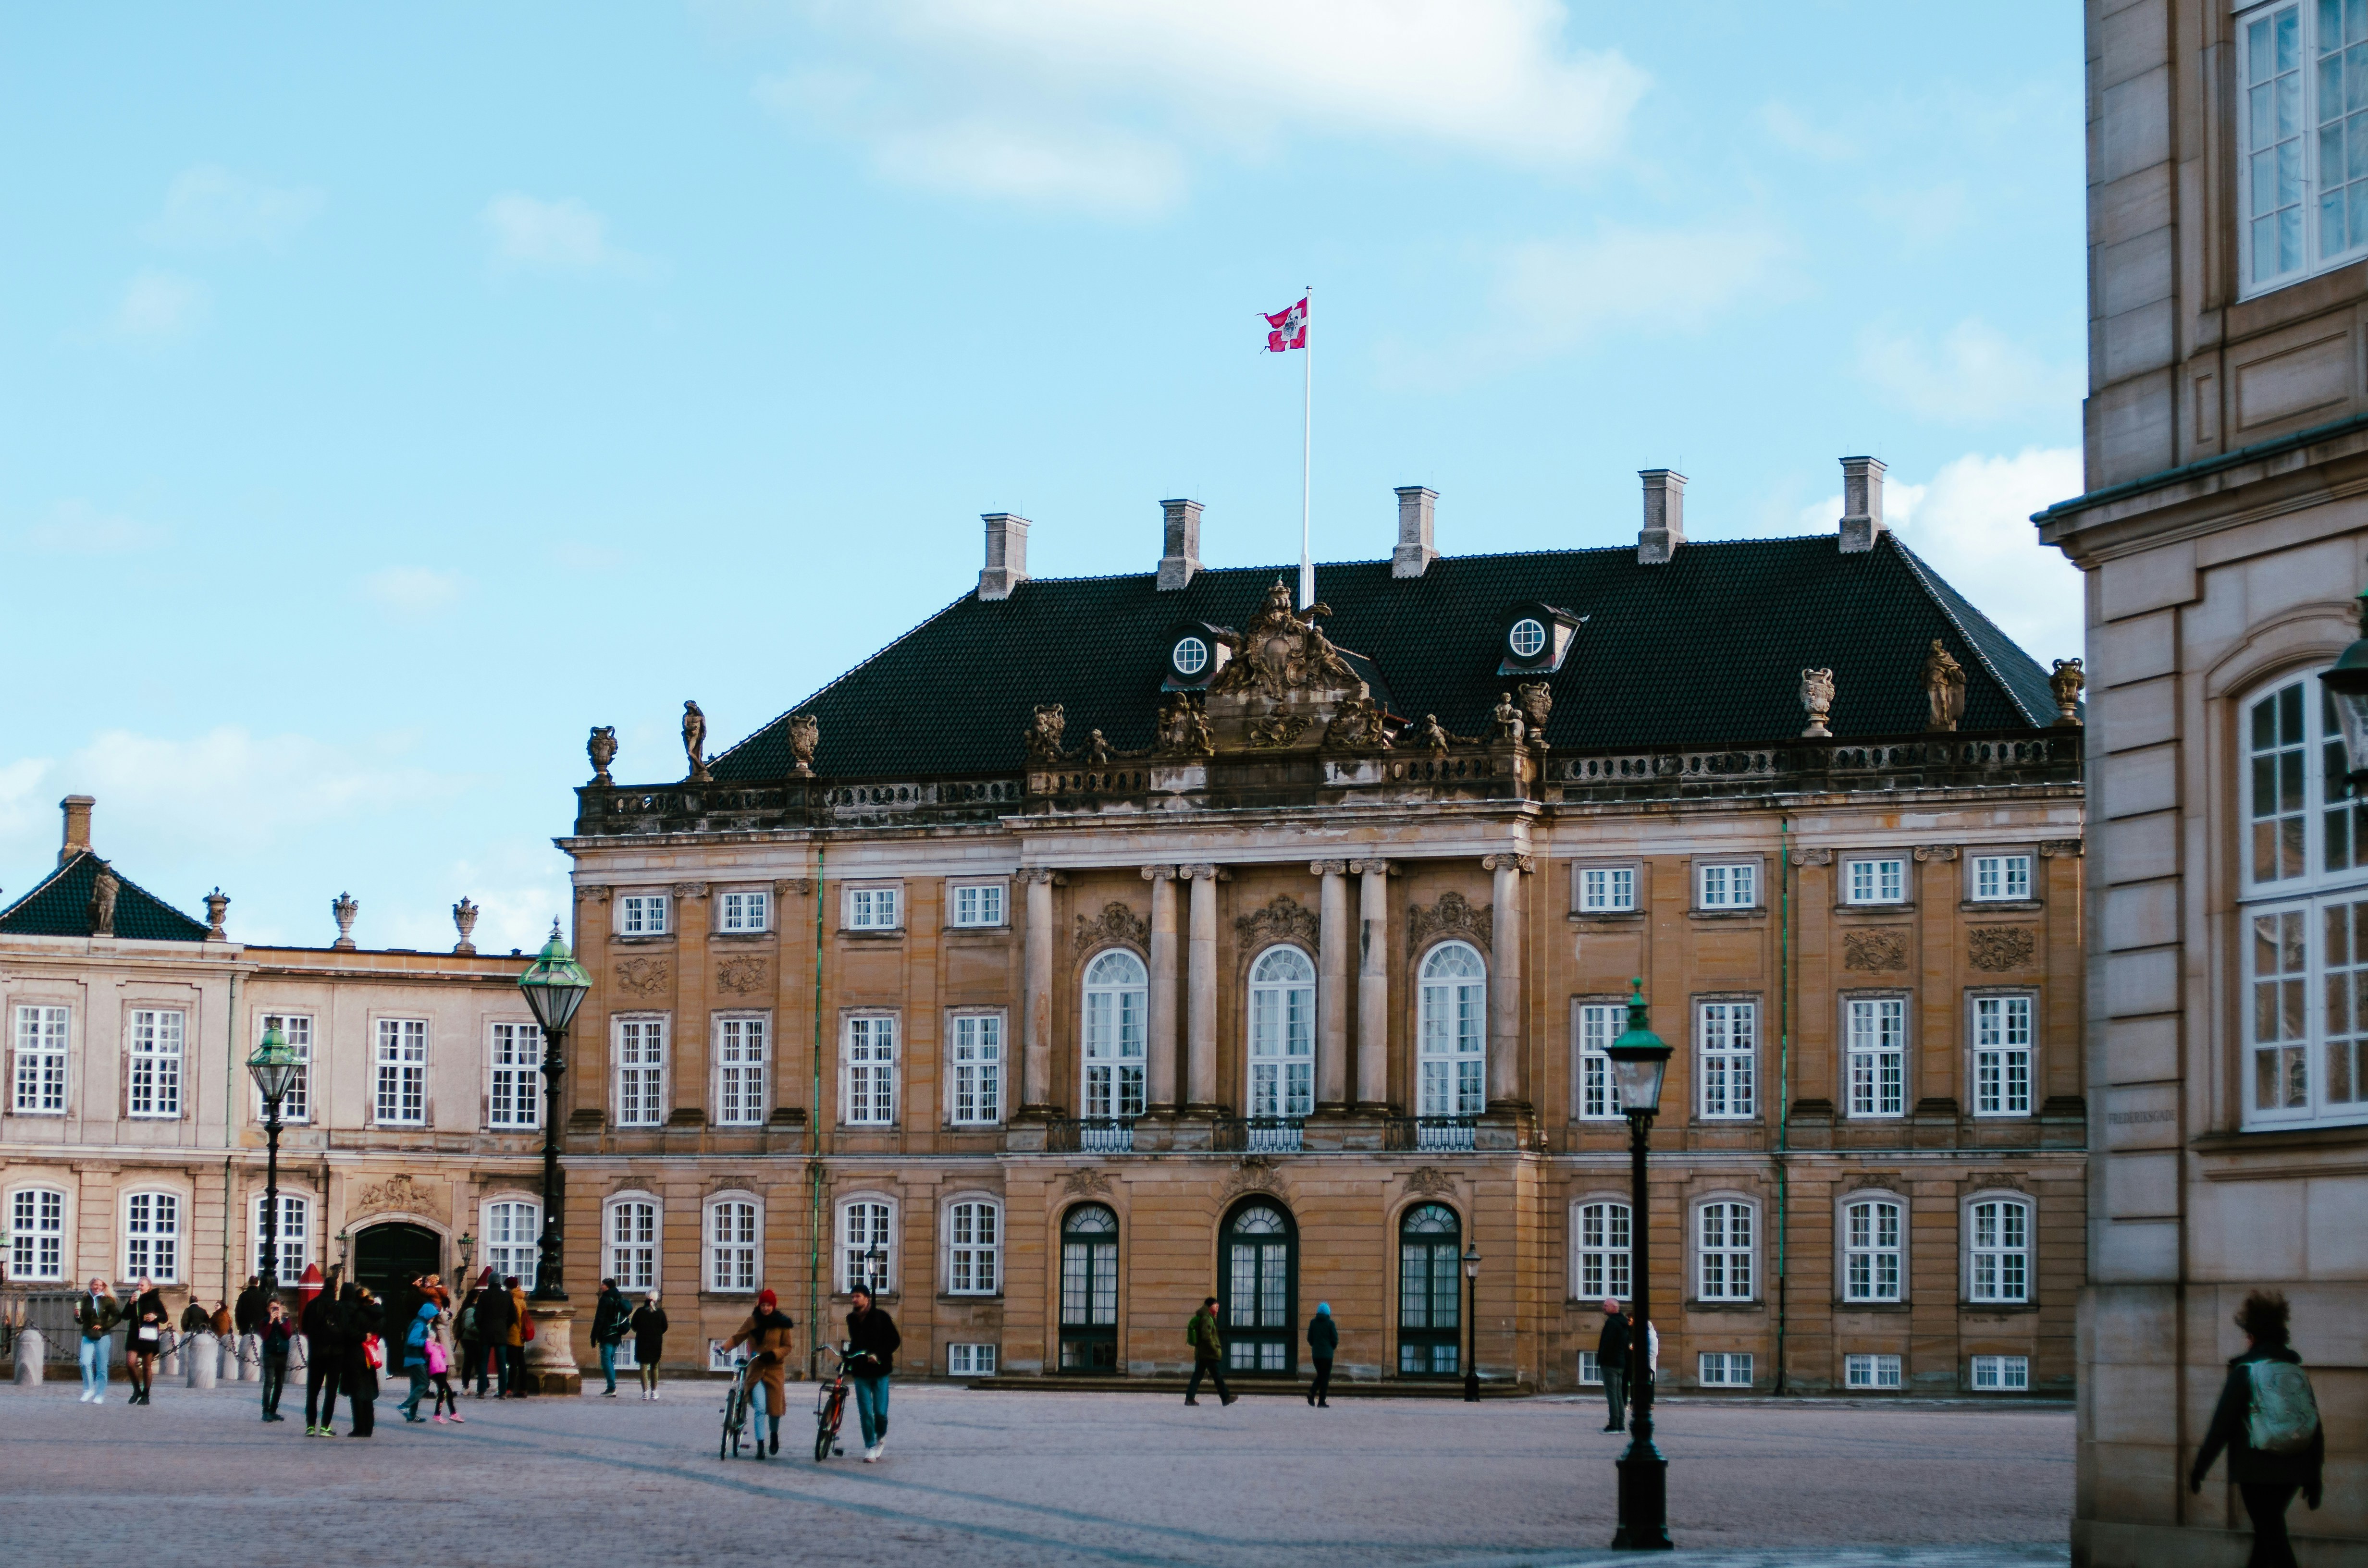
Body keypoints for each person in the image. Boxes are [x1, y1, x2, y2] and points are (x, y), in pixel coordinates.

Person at [2191, 1291, 2325, 1568]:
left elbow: (2222, 1426)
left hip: (2256, 1471)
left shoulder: (2245, 1372)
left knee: (2273, 1538)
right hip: (2294, 1471)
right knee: (2266, 1536)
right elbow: (2314, 1426)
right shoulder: (2294, 1371)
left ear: (2252, 1336)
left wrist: (2200, 1468)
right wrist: (2314, 1477)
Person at [722, 1288, 798, 1459]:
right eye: (763, 1305)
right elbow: (737, 1338)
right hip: (756, 1371)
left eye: (769, 1305)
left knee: (775, 1410)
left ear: (774, 1306)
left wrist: (774, 1354)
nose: (765, 1308)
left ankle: (774, 1435)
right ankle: (760, 1445)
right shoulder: (752, 1321)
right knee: (760, 1408)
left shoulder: (782, 1324)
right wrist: (723, 1348)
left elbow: (787, 1347)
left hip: (775, 1370)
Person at [844, 1284, 901, 1462]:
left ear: (867, 1298)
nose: (855, 1300)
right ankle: (869, 1446)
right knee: (865, 1412)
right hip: (861, 1371)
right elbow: (855, 1343)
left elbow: (894, 1340)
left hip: (880, 1370)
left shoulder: (880, 1316)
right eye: (853, 1297)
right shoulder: (851, 1319)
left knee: (880, 1412)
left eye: (858, 1296)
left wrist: (879, 1355)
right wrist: (847, 1359)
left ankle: (881, 1436)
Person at [337, 1282, 384, 1437]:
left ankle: (359, 1428)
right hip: (370, 1355)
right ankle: (369, 1428)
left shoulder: (358, 1314)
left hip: (356, 1355)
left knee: (357, 1393)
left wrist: (361, 1336)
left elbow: (350, 1333)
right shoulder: (377, 1314)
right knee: (368, 1392)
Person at [301, 1276, 341, 1435]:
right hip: (335, 1354)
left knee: (313, 1391)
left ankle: (310, 1426)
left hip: (316, 1352)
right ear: (335, 1289)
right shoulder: (338, 1307)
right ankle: (326, 1426)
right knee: (331, 1391)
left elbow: (305, 1328)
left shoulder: (312, 1305)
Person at [74, 1277, 119, 1403]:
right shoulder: (85, 1299)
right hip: (88, 1335)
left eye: (100, 1285)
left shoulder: (107, 1301)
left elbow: (117, 1316)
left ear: (104, 1287)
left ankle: (100, 1394)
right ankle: (89, 1389)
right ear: (91, 1285)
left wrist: (104, 1326)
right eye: (95, 1285)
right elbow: (80, 1321)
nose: (98, 1287)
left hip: (103, 1336)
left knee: (101, 1367)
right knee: (84, 1362)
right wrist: (77, 1316)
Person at [1185, 1296, 1234, 1408]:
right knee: (1217, 1376)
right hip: (1208, 1354)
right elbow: (1206, 1337)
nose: (1218, 1307)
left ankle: (1190, 1399)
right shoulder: (1207, 1318)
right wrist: (1214, 1349)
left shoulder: (1206, 1316)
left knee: (1198, 1376)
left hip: (1203, 1353)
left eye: (1218, 1305)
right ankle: (1226, 1398)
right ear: (1209, 1306)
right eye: (1216, 1305)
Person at [127, 1278, 168, 1405]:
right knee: (130, 1363)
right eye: (138, 1285)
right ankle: (136, 1390)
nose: (139, 1287)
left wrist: (155, 1317)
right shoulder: (134, 1299)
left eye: (142, 1285)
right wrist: (131, 1303)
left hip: (149, 1335)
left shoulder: (154, 1300)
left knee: (146, 1366)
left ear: (149, 1287)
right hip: (134, 1335)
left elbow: (165, 1318)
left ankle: (146, 1394)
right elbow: (125, 1316)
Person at [474, 1270, 515, 1396]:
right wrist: (504, 1326)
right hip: (501, 1332)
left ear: (489, 1282)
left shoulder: (484, 1296)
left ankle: (481, 1391)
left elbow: (477, 1316)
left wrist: (482, 1327)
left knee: (483, 1363)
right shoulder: (507, 1296)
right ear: (500, 1282)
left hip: (486, 1332)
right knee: (502, 1364)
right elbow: (513, 1317)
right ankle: (502, 1392)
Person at [397, 1301, 439, 1422]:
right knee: (424, 1384)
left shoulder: (420, 1323)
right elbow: (412, 1341)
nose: (433, 1319)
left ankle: (412, 1415)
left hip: (413, 1358)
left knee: (416, 1386)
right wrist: (427, 1342)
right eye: (432, 1316)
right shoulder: (420, 1324)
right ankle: (404, 1406)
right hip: (415, 1359)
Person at [1595, 1298, 1630, 1432]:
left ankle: (1614, 1424)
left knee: (1612, 1395)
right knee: (1619, 1395)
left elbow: (1607, 1344)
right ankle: (1620, 1423)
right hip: (1620, 1362)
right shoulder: (1622, 1322)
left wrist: (1603, 1359)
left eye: (1606, 1305)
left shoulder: (1612, 1323)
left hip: (1610, 1363)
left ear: (1614, 1307)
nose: (1603, 1307)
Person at [592, 1278, 629, 1397]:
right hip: (617, 1334)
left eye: (603, 1285)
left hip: (607, 1334)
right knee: (610, 1360)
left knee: (606, 1360)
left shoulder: (605, 1299)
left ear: (607, 1287)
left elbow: (600, 1319)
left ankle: (611, 1387)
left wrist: (594, 1336)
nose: (601, 1287)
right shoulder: (619, 1297)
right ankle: (611, 1386)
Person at [259, 1298, 294, 1422]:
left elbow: (287, 1335)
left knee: (279, 1384)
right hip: (270, 1355)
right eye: (273, 1308)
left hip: (282, 1355)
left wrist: (279, 1322)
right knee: (269, 1383)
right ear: (268, 1310)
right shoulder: (264, 1322)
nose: (275, 1310)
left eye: (277, 1308)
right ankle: (266, 1411)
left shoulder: (286, 1321)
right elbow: (264, 1336)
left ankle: (274, 1410)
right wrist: (270, 1322)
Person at [630, 1291, 668, 1401]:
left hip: (642, 1341)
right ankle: (654, 1391)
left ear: (646, 1298)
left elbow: (633, 1326)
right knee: (655, 1366)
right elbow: (665, 1327)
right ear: (656, 1300)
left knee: (643, 1366)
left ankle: (645, 1392)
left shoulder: (640, 1312)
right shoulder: (660, 1313)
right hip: (656, 1341)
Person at [503, 1274, 530, 1397]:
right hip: (521, 1335)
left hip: (512, 1334)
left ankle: (510, 1388)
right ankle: (523, 1389)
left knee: (513, 1363)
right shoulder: (521, 1299)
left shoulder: (511, 1299)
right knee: (521, 1363)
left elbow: (512, 1318)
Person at [1306, 1302, 1337, 1408]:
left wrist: (1315, 1346)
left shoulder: (1313, 1323)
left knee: (1321, 1375)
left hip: (1316, 1355)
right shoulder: (1330, 1323)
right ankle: (1321, 1401)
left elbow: (1310, 1338)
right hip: (1327, 1356)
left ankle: (1312, 1394)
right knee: (1325, 1378)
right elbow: (1335, 1339)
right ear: (1328, 1312)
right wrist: (1331, 1348)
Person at [234, 1275, 265, 1340]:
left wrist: (239, 1325)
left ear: (249, 1283)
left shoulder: (243, 1295)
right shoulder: (263, 1296)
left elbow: (238, 1311)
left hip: (245, 1327)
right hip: (259, 1327)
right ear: (258, 1283)